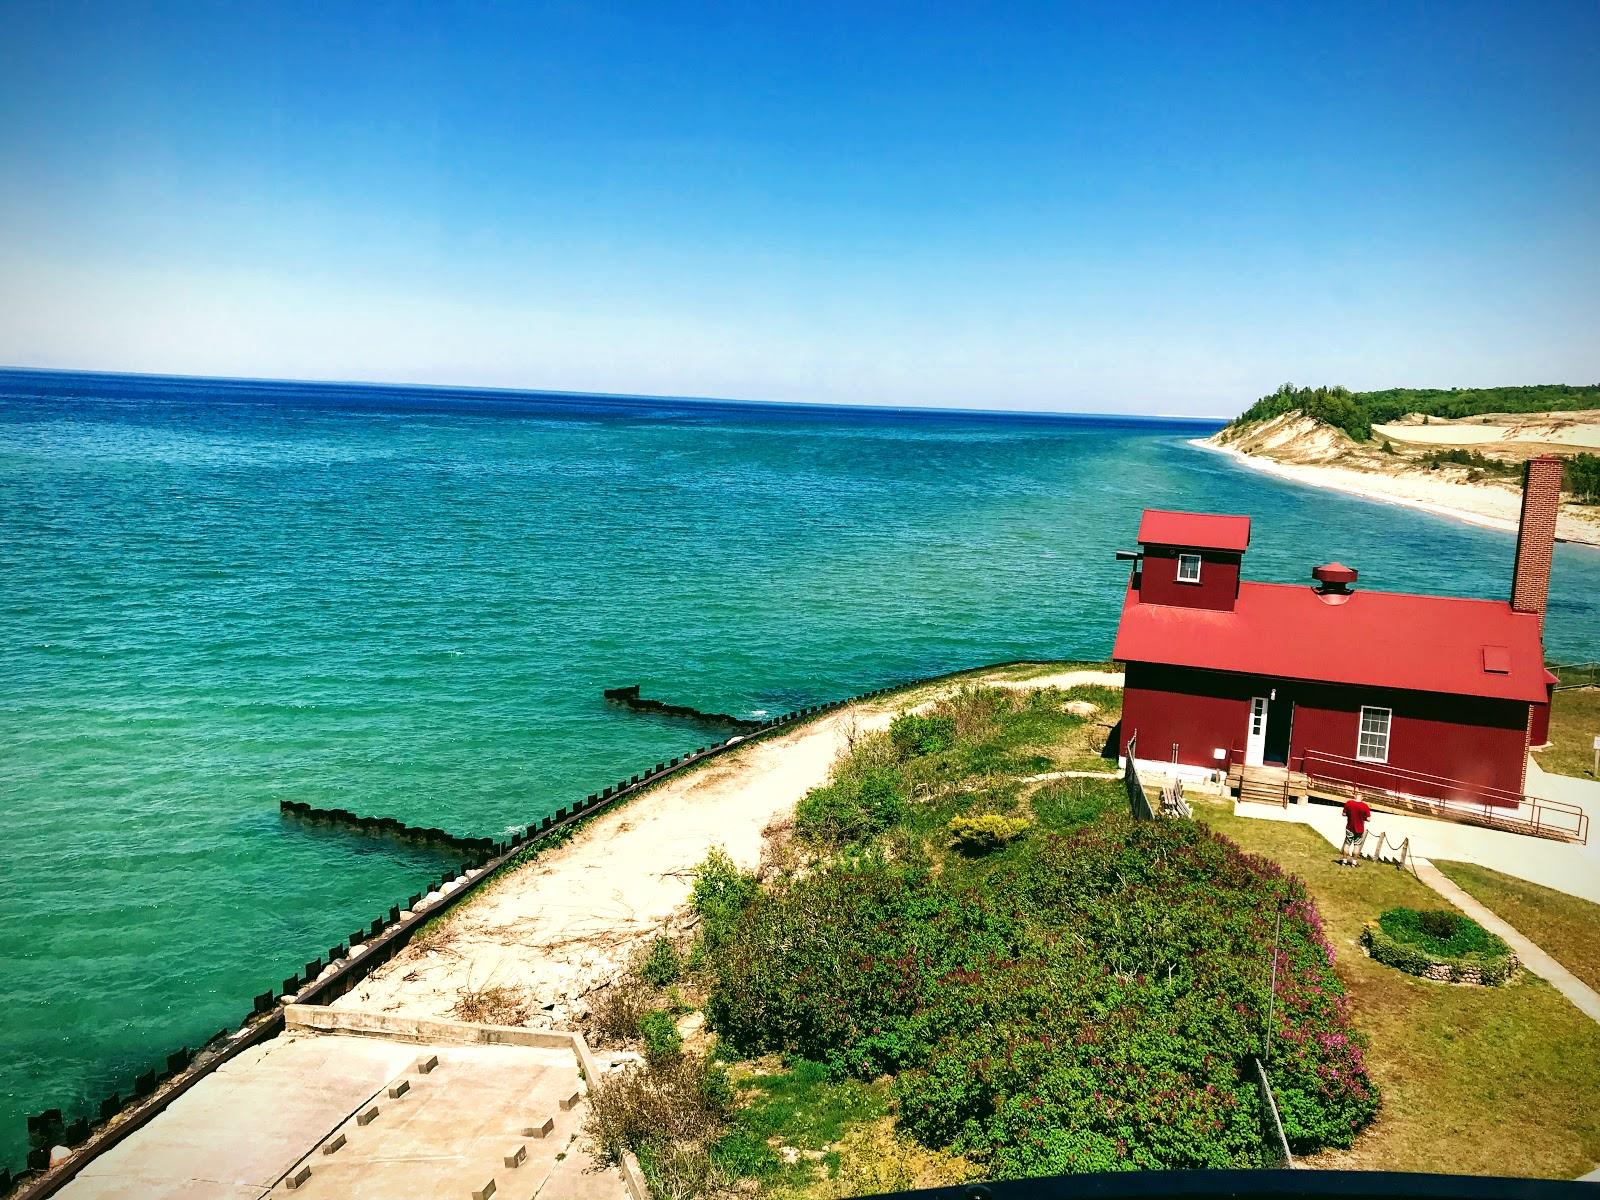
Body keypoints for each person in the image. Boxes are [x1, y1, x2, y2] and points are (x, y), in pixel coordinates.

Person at [1339, 797, 1372, 866]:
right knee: (1356, 845)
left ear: (1354, 796)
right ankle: (1354, 863)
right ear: (1362, 798)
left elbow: (1343, 814)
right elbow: (1369, 819)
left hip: (1350, 827)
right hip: (1359, 829)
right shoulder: (1365, 806)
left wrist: (1350, 814)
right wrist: (1363, 818)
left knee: (1347, 844)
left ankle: (1344, 861)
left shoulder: (1349, 803)